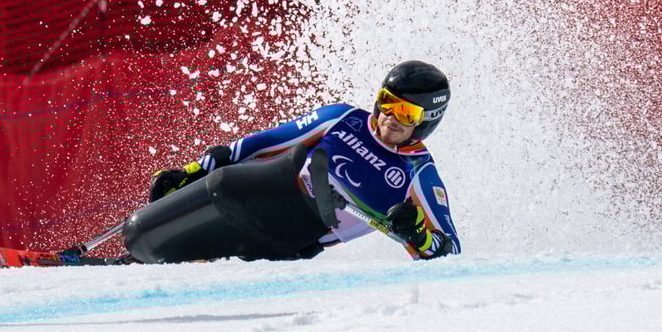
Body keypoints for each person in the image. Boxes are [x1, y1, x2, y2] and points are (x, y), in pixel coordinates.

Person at [121, 60, 461, 263]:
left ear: (427, 119)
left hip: (296, 238)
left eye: (406, 112)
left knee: (245, 250)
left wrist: (419, 236)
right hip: (267, 192)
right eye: (387, 102)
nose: (391, 116)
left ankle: (192, 258)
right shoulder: (342, 119)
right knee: (225, 181)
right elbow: (268, 141)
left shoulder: (418, 174)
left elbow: (451, 252)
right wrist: (196, 169)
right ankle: (158, 244)